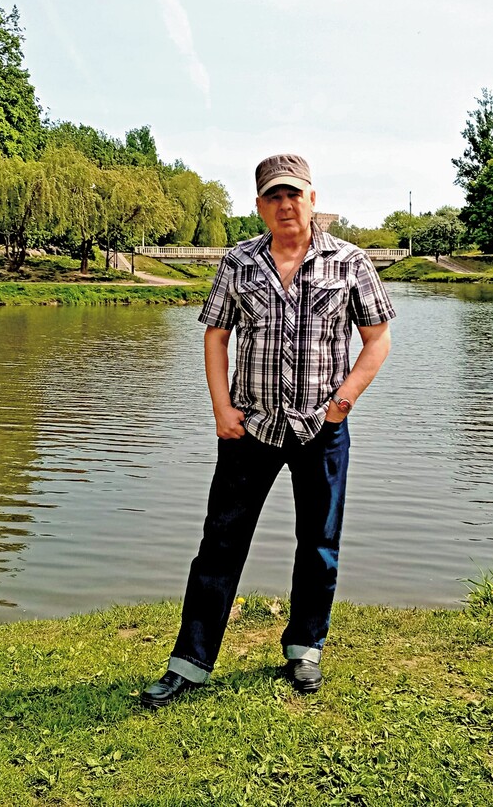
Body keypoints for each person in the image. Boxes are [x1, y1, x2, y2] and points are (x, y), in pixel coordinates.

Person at [140, 154, 396, 708]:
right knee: (219, 545)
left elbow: (377, 338)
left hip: (321, 428)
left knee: (319, 545)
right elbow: (216, 335)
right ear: (259, 206)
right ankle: (189, 663)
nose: (285, 205)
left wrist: (344, 401)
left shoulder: (350, 262)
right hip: (248, 427)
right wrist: (221, 408)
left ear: (312, 198)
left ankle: (305, 649)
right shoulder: (238, 262)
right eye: (274, 196)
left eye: (293, 194)